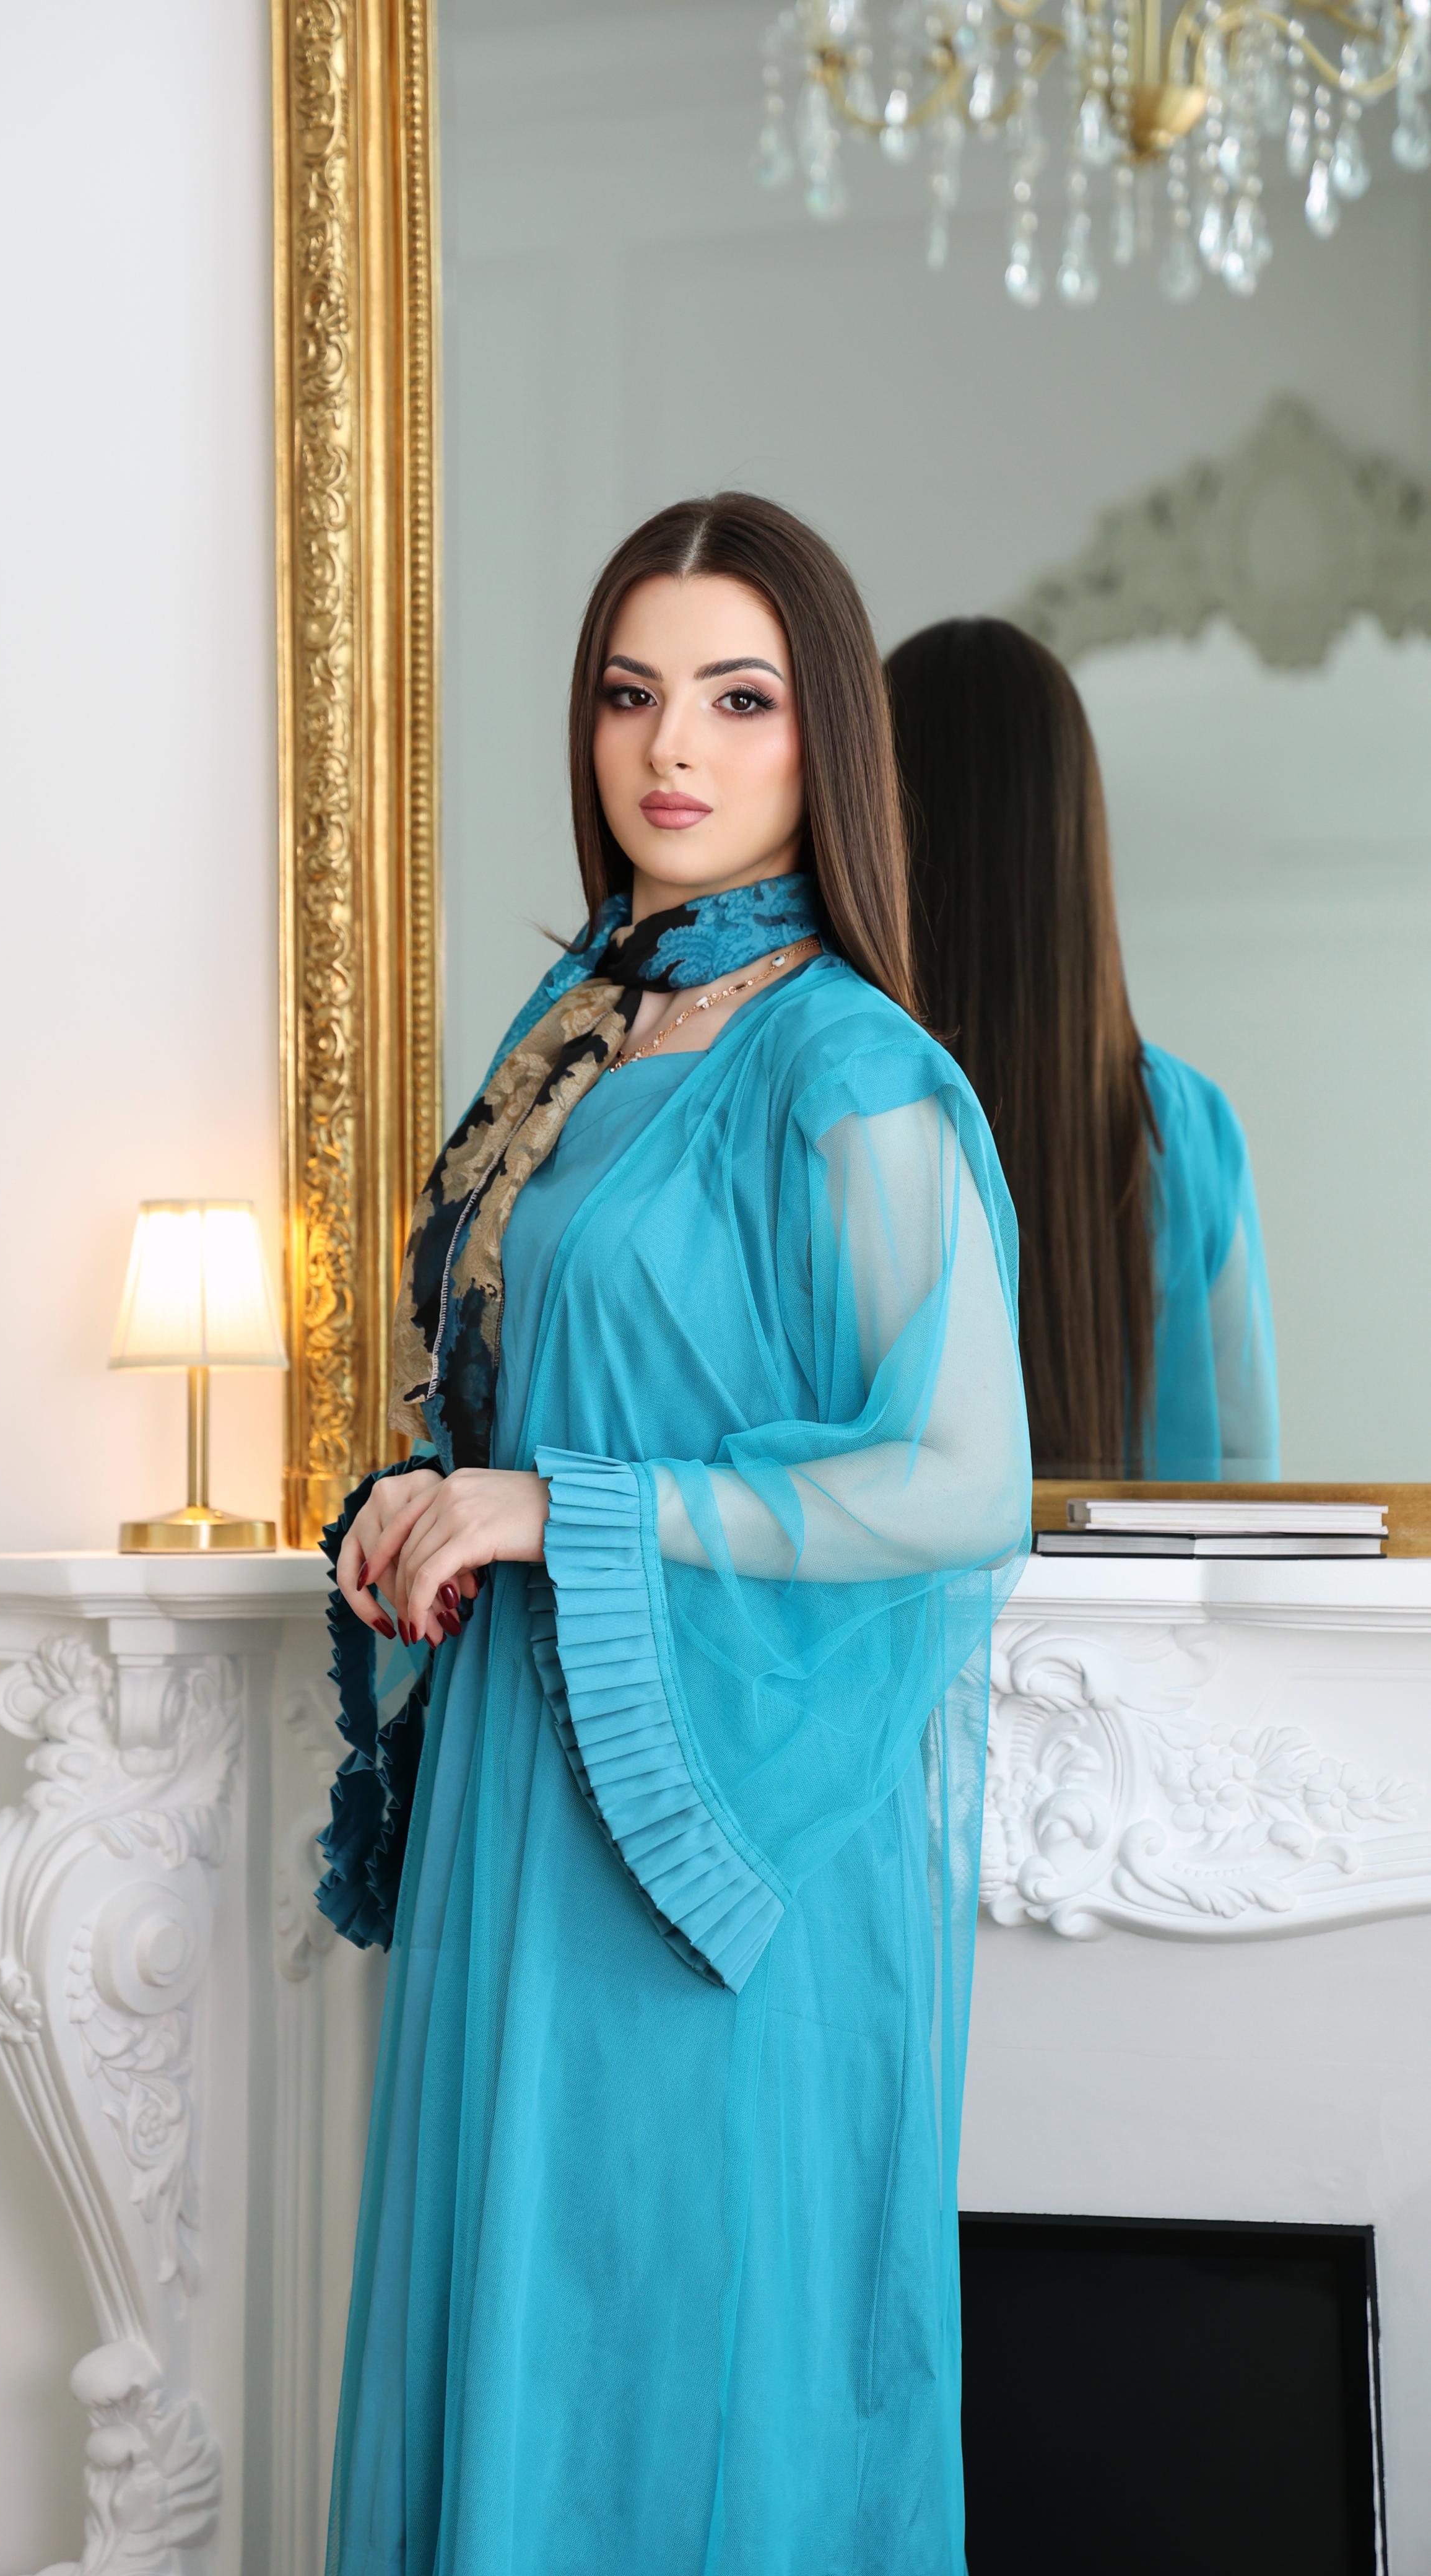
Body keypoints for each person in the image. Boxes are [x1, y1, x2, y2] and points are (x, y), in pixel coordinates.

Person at [316, 494, 1030, 2576]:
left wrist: (561, 1504)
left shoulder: (848, 1066)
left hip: (712, 1823)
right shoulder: (583, 1037)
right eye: (631, 695)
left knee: (677, 2358)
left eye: (738, 698)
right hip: (524, 1807)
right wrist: (436, 1502)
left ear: (826, 745)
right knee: (517, 2344)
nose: (670, 749)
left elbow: (954, 1479)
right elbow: (527, 1386)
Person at [886, 616, 1278, 1482]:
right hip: (1149, 1620)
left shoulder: (834, 1104)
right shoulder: (1186, 1123)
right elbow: (1247, 1465)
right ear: (1073, 832)